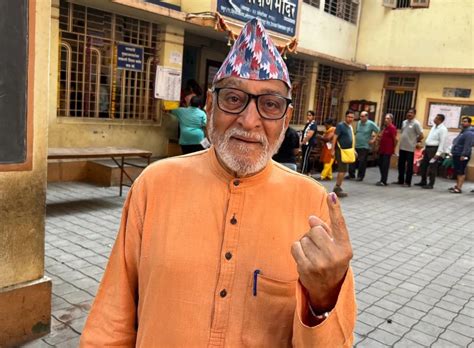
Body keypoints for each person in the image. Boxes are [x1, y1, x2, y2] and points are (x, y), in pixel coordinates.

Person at [80, 18, 356, 347]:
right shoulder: (155, 184)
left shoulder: (313, 204)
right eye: (234, 98)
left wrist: (321, 302)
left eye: (270, 104)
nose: (249, 120)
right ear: (210, 106)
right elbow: (113, 316)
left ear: (285, 119)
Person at [414, 114, 448, 189]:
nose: (434, 119)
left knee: (433, 167)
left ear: (440, 120)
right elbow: (429, 138)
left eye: (436, 118)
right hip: (428, 148)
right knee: (423, 165)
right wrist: (424, 148)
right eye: (435, 117)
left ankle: (431, 184)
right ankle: (423, 181)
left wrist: (438, 153)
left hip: (434, 149)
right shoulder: (434, 127)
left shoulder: (443, 129)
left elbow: (442, 142)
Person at [393, 108, 424, 187]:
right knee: (401, 164)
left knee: (409, 166)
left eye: (411, 113)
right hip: (402, 146)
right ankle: (400, 180)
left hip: (410, 148)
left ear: (414, 114)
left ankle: (408, 182)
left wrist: (414, 141)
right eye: (408, 112)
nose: (409, 114)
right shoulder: (404, 122)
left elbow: (421, 135)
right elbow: (403, 132)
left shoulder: (416, 123)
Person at [348, 111, 379, 181]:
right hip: (356, 145)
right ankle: (351, 175)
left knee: (362, 162)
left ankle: (360, 176)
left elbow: (378, 130)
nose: (361, 118)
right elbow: (356, 132)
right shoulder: (359, 123)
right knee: (352, 160)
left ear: (366, 117)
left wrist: (374, 139)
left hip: (364, 146)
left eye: (362, 116)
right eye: (360, 116)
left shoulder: (370, 124)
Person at [332, 110, 355, 197]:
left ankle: (338, 187)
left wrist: (354, 150)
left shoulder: (350, 127)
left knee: (344, 170)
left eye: (352, 117)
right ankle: (337, 188)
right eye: (349, 117)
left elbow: (352, 139)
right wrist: (332, 150)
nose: (350, 119)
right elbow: (335, 137)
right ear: (345, 117)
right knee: (342, 170)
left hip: (348, 151)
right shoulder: (341, 125)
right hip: (340, 151)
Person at [449, 116, 474, 194]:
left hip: (462, 155)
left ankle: (459, 188)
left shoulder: (469, 133)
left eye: (465, 121)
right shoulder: (463, 132)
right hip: (457, 153)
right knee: (458, 171)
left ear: (469, 123)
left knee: (461, 171)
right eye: (463, 121)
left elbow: (468, 145)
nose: (463, 123)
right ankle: (457, 186)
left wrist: (464, 155)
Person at [376, 113, 398, 186]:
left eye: (388, 118)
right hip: (382, 149)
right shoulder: (385, 128)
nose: (386, 120)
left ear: (391, 120)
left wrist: (393, 148)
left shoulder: (392, 128)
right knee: (380, 163)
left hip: (388, 150)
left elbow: (395, 139)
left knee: (385, 165)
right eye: (385, 118)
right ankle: (382, 179)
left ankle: (384, 181)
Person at [300, 110, 318, 174]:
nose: (308, 116)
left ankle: (303, 172)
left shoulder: (313, 125)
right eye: (307, 115)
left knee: (305, 158)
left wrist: (303, 142)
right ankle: (305, 171)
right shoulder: (308, 124)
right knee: (304, 157)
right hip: (304, 143)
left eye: (310, 115)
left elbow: (309, 135)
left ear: (313, 116)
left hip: (308, 144)